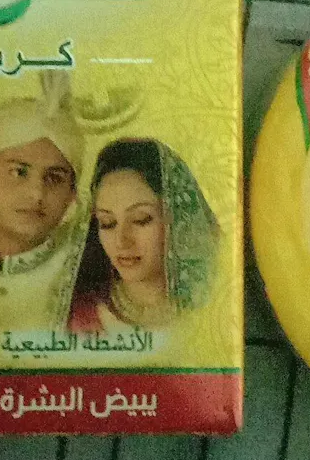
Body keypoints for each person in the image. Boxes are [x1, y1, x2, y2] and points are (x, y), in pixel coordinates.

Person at [0, 75, 86, 337]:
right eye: (18, 172)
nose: (36, 194)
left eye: (55, 178)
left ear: (72, 195)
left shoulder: (89, 278)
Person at [69, 138, 219, 335]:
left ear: (178, 219)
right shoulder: (79, 317)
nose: (121, 241)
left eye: (141, 219)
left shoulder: (214, 305)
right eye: (107, 223)